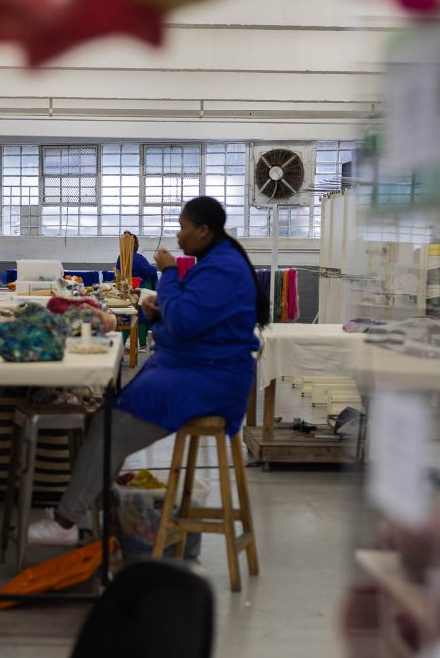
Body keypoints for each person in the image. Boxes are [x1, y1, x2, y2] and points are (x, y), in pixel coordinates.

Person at [28, 196, 269, 546]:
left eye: (184, 227)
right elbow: (193, 317)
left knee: (109, 428)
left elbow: (186, 322)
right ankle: (85, 513)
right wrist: (160, 312)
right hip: (198, 369)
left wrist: (169, 274)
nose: (178, 234)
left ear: (203, 231)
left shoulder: (222, 268)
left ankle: (67, 521)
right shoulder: (217, 262)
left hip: (210, 381)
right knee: (106, 420)